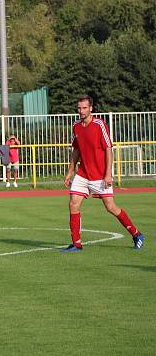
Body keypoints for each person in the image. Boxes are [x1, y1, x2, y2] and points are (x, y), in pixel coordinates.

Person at [61, 95, 146, 252]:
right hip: (83, 174)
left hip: (100, 175)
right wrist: (70, 172)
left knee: (111, 207)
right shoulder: (76, 126)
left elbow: (108, 149)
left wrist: (108, 174)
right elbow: (76, 150)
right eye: (79, 108)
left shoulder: (100, 124)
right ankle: (76, 243)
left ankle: (136, 234)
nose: (81, 111)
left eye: (84, 108)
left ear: (91, 108)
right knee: (73, 203)